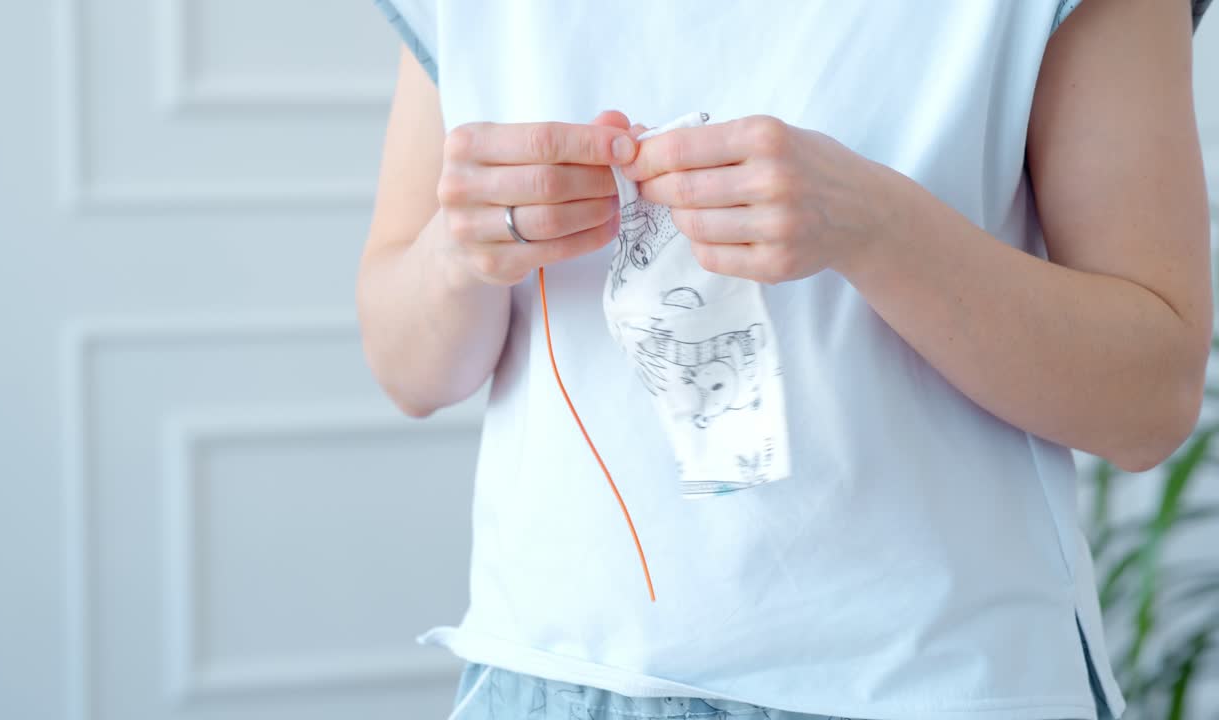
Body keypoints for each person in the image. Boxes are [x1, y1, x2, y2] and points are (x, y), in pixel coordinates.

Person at [357, 1, 1214, 718]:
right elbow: (411, 373)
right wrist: (458, 249)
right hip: (550, 676)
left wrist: (874, 224)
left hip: (933, 681)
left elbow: (1148, 402)